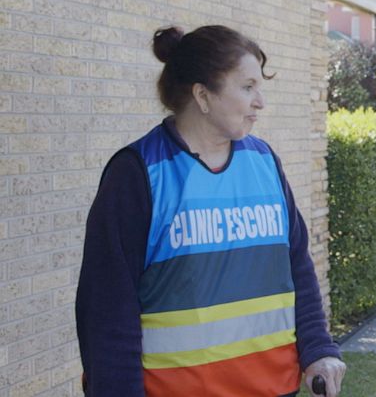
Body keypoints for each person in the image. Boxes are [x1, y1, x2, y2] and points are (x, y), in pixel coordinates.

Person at [75, 25, 346, 396]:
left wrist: (318, 349)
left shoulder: (264, 162)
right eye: (247, 87)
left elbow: (296, 266)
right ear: (202, 95)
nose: (260, 101)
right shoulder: (137, 173)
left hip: (275, 390)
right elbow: (107, 310)